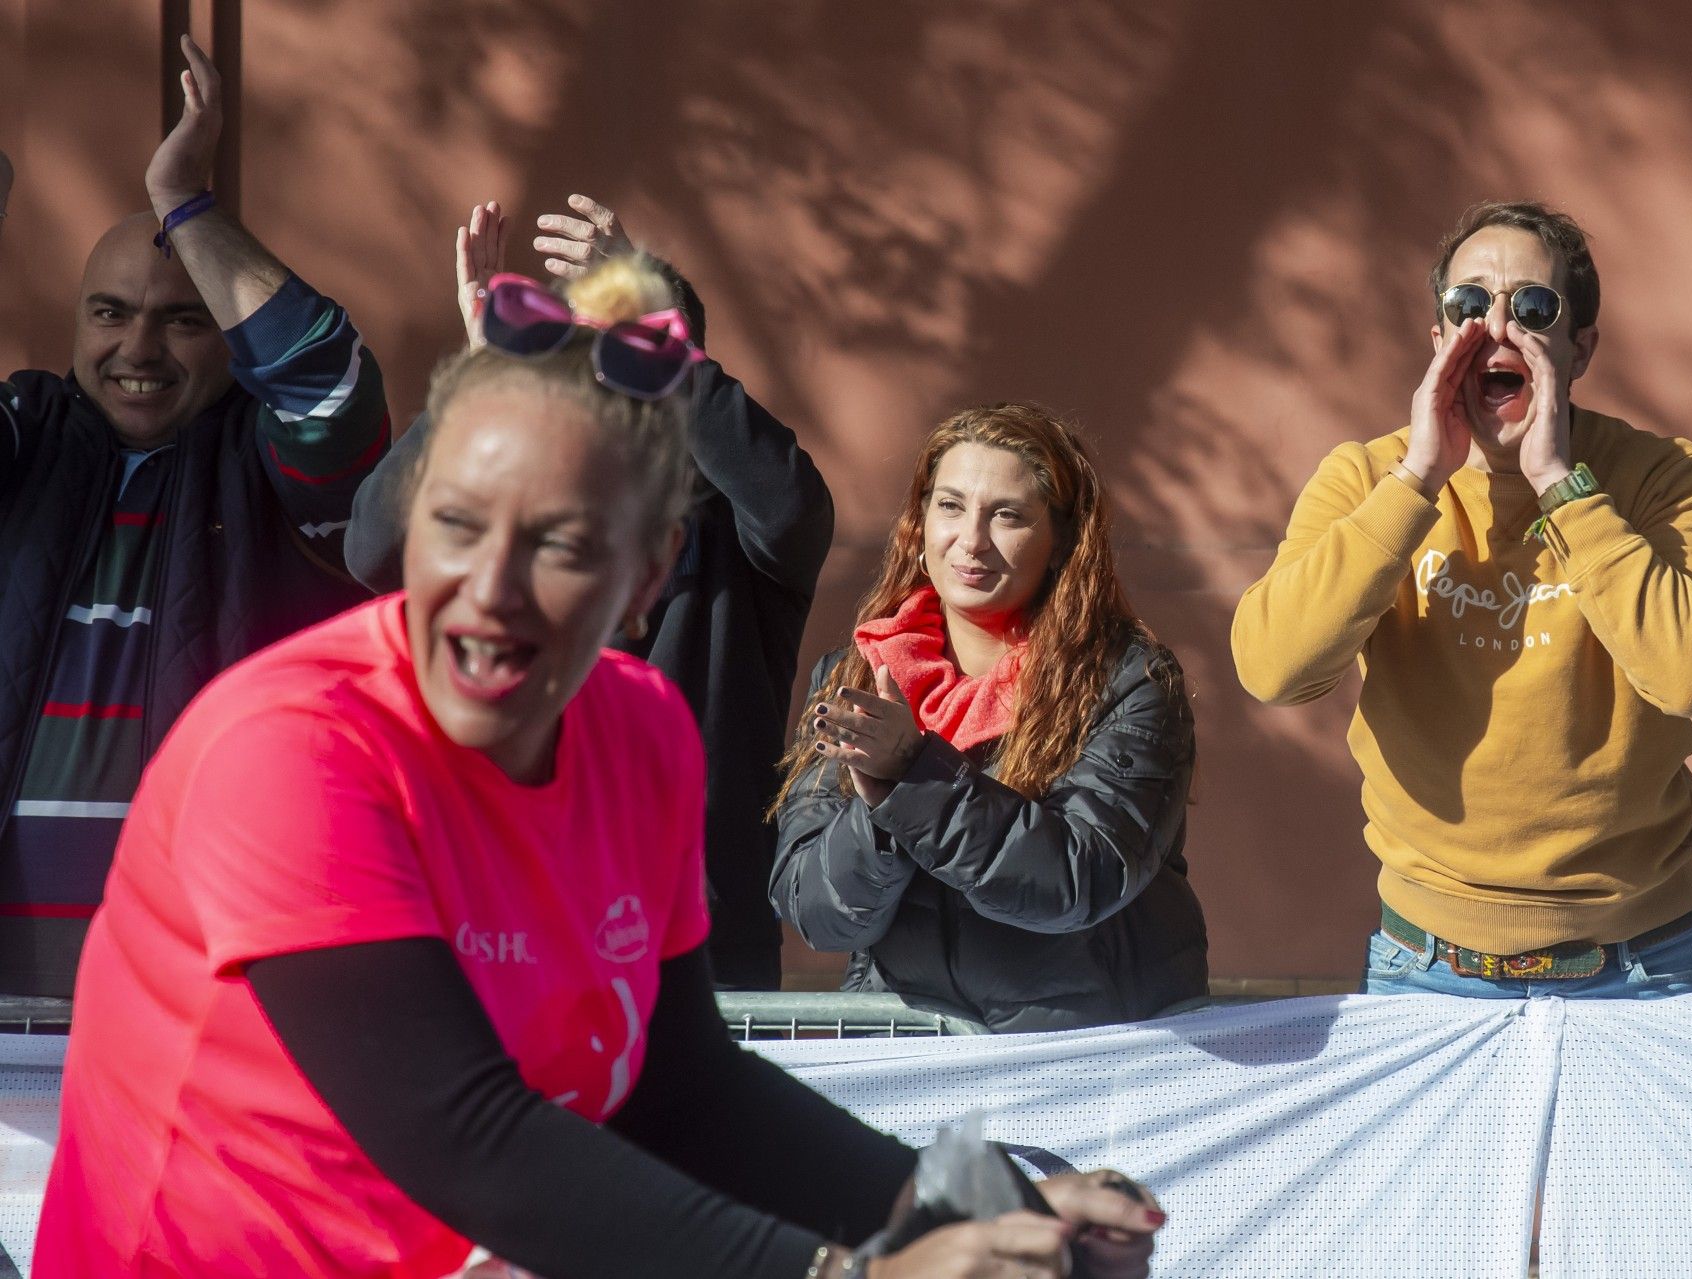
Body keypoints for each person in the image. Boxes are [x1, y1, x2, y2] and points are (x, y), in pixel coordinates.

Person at [36, 253, 1161, 1279]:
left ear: (647, 573)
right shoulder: (292, 746)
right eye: (457, 525)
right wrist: (852, 1274)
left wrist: (977, 1203)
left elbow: (681, 1087)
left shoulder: (643, 732)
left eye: (561, 544)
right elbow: (462, 1136)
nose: (490, 588)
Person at [1231, 200, 1692, 999]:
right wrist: (1417, 480)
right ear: (1439, 337)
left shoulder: (1661, 476)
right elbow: (1272, 668)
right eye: (1468, 303)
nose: (1496, 327)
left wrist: (1559, 484)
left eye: (1531, 307)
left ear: (1579, 348)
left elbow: (1690, 676)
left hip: (1640, 963)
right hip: (1426, 964)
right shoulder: (1367, 477)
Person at [345, 196, 832, 991]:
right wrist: (482, 378)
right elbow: (377, 547)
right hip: (516, 916)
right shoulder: (512, 519)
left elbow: (790, 507)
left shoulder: (742, 533)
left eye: (630, 348)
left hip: (695, 940)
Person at [0, 38, 387, 996]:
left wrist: (183, 201)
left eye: (183, 319)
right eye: (109, 313)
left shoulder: (272, 462)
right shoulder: (25, 436)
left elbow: (332, 388)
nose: (138, 347)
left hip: (202, 994)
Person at [771, 403, 1208, 1033]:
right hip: (910, 1049)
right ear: (919, 523)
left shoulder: (1128, 679)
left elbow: (1079, 879)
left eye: (1007, 515)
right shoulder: (858, 675)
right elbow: (819, 914)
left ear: (1062, 541)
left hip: (1085, 1054)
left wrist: (915, 777)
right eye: (950, 506)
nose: (971, 541)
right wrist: (882, 810)